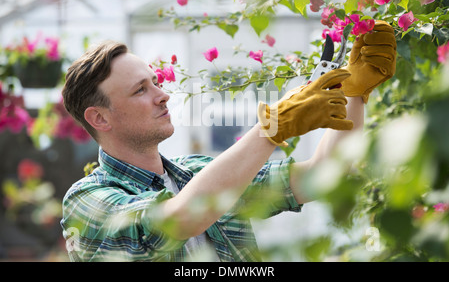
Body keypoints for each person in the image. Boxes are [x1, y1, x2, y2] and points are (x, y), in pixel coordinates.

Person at [60, 21, 396, 262]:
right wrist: (270, 129)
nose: (162, 95)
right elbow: (178, 219)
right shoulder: (87, 201)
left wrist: (355, 93)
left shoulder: (200, 174)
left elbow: (321, 177)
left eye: (155, 82)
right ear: (99, 118)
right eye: (140, 90)